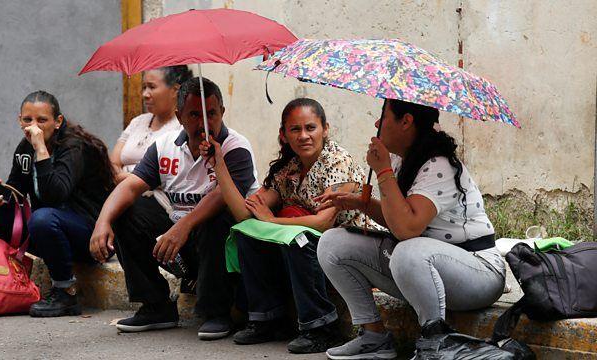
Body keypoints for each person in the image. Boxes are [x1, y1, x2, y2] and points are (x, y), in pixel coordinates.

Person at [315, 99, 506, 360]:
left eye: (383, 118)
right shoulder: (399, 159)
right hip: (424, 265)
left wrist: (382, 171)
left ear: (406, 122)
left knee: (407, 251)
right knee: (332, 243)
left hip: (478, 273)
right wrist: (364, 203)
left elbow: (407, 229)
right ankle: (374, 338)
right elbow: (398, 220)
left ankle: (436, 344)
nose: (376, 124)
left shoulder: (439, 165)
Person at [199, 98, 377, 354]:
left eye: (310, 128)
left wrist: (272, 220)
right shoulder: (288, 169)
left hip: (350, 249)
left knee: (299, 238)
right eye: (295, 129)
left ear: (325, 129)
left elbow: (323, 223)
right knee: (249, 234)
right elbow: (244, 215)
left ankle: (320, 327)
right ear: (284, 134)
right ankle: (267, 319)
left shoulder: (338, 161)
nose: (303, 136)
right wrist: (219, 164)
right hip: (313, 255)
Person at [89, 77, 259, 340]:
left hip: (226, 251)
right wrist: (103, 221)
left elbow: (219, 198)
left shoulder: (236, 148)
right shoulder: (164, 146)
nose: (204, 123)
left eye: (211, 113)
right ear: (179, 116)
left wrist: (183, 226)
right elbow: (131, 186)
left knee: (215, 219)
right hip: (181, 243)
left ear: (222, 113)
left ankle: (217, 312)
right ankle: (156, 306)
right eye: (194, 115)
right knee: (128, 212)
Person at [0, 90, 115, 317]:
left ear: (58, 121)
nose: (34, 126)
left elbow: (55, 195)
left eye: (42, 120)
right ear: (19, 120)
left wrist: (41, 150)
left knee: (42, 218)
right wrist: (4, 196)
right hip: (49, 229)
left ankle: (65, 292)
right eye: (27, 120)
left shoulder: (74, 148)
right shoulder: (24, 148)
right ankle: (5, 276)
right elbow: (17, 190)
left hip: (91, 238)